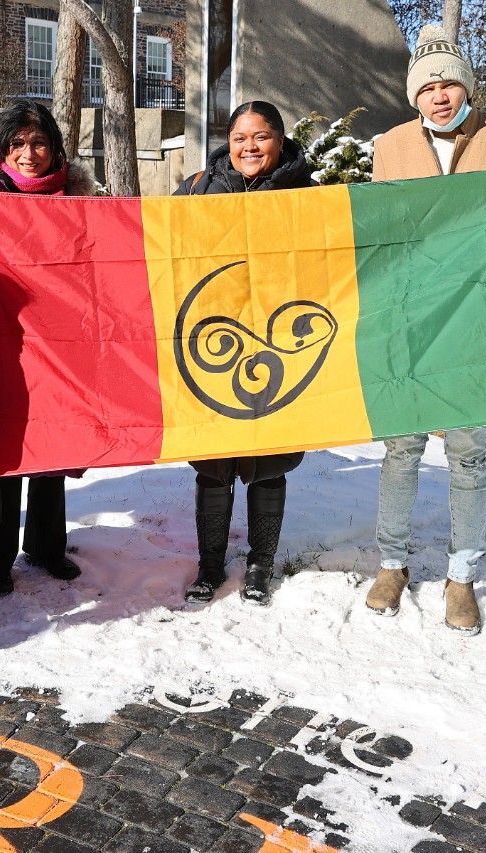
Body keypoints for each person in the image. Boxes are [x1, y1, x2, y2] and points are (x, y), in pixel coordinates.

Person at [364, 25, 486, 635]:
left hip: (478, 320)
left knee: (468, 453)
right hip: (413, 319)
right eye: (428, 87)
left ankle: (462, 574)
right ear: (414, 96)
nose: (439, 95)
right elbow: (380, 232)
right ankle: (392, 563)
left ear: (467, 85)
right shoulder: (389, 146)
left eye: (449, 83)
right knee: (402, 446)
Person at [0, 100, 97, 596]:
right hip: (0, 343)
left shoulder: (80, 201)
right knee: (5, 452)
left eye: (38, 143)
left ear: (55, 148)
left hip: (60, 341)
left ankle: (47, 547)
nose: (28, 154)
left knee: (54, 449)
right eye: (16, 144)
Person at [172, 100, 316, 604]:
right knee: (214, 460)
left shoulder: (309, 195)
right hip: (212, 339)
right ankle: (209, 566)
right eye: (239, 137)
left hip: (282, 344)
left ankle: (260, 563)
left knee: (268, 455)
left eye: (261, 137)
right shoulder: (197, 189)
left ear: (281, 140)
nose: (249, 147)